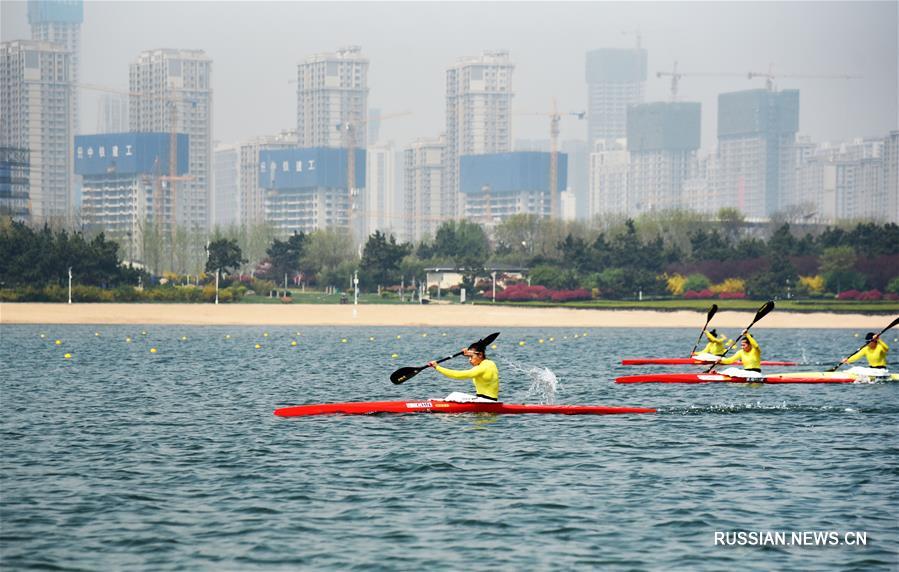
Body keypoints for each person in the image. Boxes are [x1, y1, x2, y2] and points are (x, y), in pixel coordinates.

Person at [428, 343, 499, 402]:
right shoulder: (488, 363)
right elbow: (476, 356)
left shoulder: (484, 366)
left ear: (480, 355)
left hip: (487, 402)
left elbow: (458, 375)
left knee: (455, 395)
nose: (469, 360)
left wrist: (437, 367)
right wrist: (468, 353)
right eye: (468, 357)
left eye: (471, 357)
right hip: (482, 400)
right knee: (455, 396)